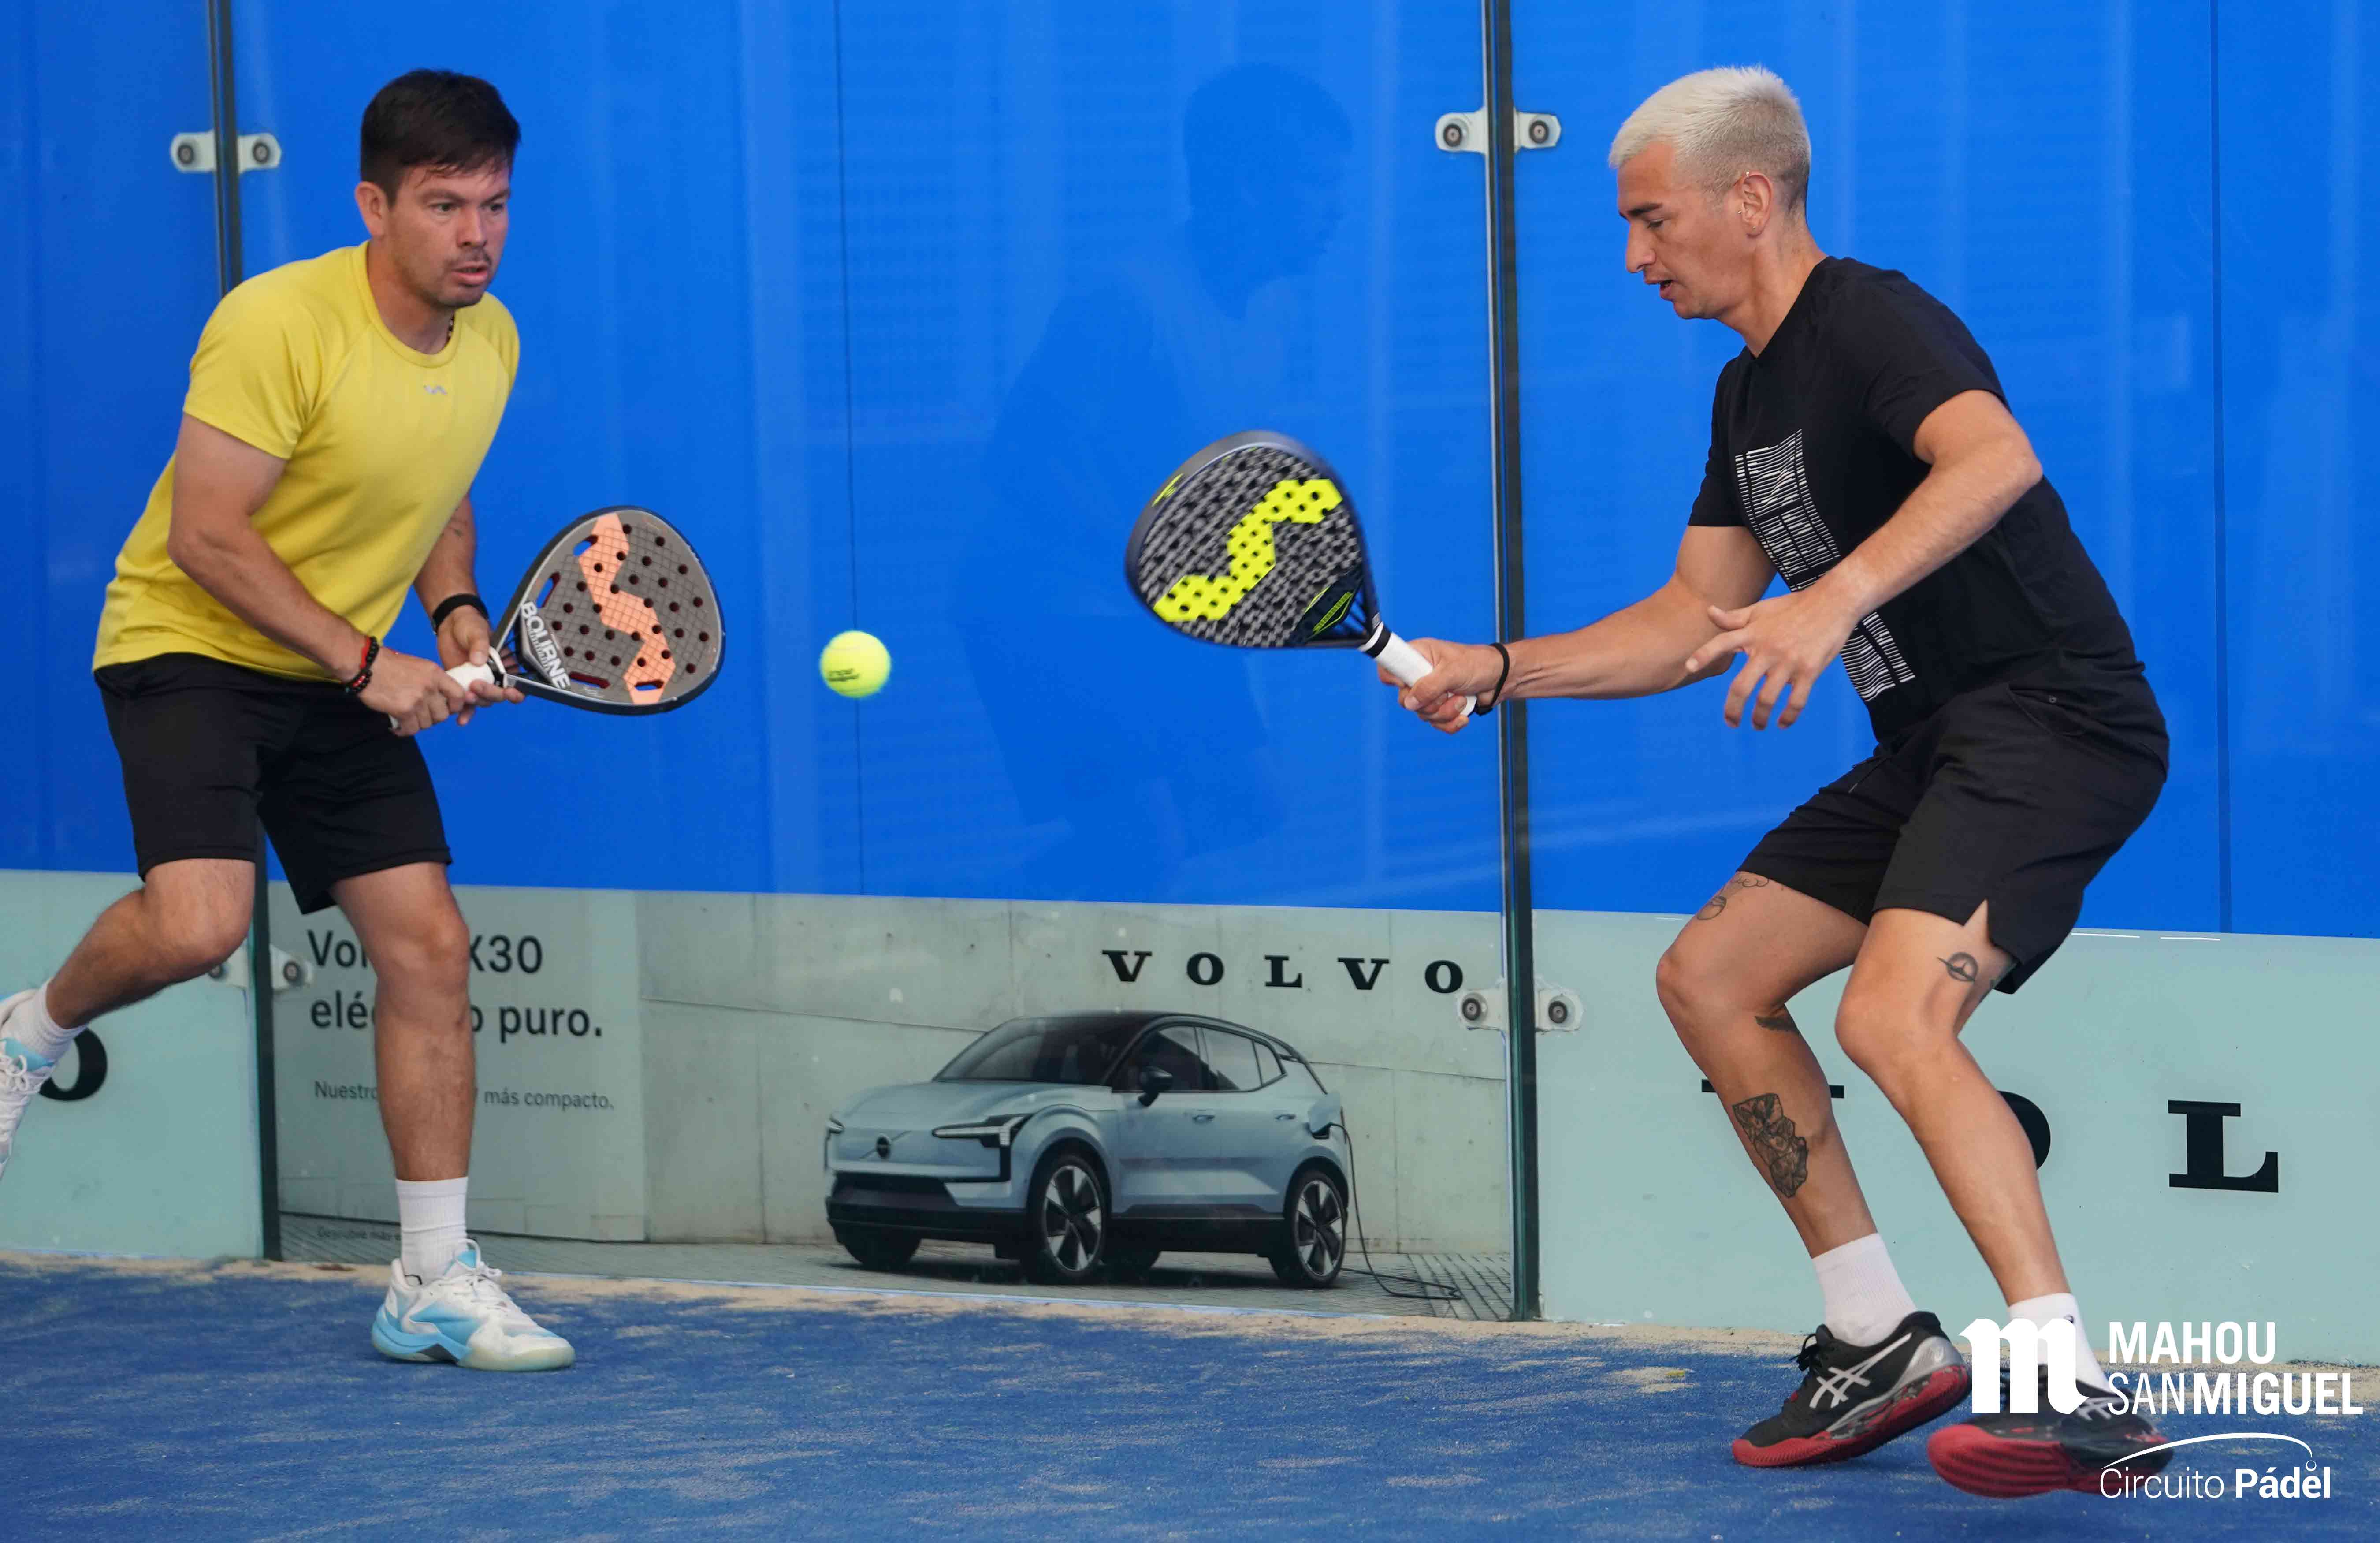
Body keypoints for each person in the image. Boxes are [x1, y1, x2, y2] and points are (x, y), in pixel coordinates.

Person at [1384, 67, 2170, 1497]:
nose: (1637, 256)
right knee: (1712, 976)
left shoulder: (1871, 318)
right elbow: (1691, 618)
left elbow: (1995, 458)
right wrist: (1495, 667)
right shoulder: (1746, 394)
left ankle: (2070, 1383)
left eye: (1651, 220)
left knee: (1890, 1015)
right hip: (1932, 742)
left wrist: (1831, 601)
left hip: (2054, 717)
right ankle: (1878, 1334)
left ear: (1750, 199)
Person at [0, 70, 571, 1372]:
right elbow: (205, 535)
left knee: (429, 946)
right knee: (200, 923)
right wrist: (369, 662)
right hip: (192, 644)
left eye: (494, 204)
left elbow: (435, 493)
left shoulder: (490, 338)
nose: (476, 235)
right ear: (373, 205)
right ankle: (29, 1033)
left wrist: (459, 613)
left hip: (337, 665)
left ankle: (430, 1279)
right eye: (443, 205)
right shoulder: (276, 324)